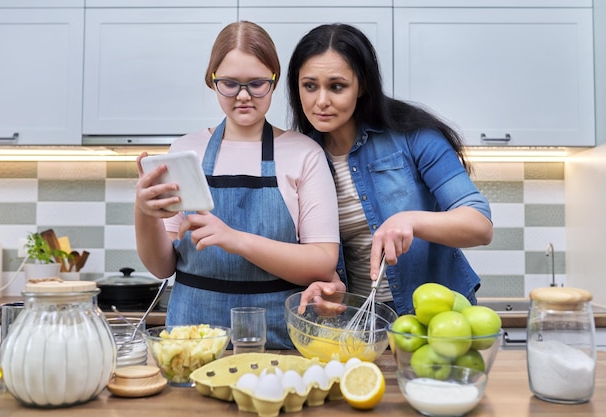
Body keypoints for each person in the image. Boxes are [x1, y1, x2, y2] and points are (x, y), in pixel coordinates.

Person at [134, 21, 340, 349]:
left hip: (278, 343)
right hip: (191, 344)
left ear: (274, 81)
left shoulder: (304, 154)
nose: (243, 96)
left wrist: (235, 240)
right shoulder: (185, 153)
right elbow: (162, 266)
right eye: (229, 84)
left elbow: (321, 261)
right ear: (212, 81)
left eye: (257, 83)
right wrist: (143, 212)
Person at [287, 23, 493, 316]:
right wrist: (329, 285)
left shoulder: (413, 136)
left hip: (439, 318)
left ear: (363, 85)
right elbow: (312, 253)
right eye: (310, 86)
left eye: (337, 86)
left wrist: (410, 220)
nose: (321, 101)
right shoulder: (300, 157)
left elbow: (480, 226)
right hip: (362, 321)